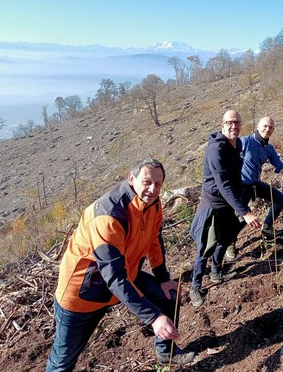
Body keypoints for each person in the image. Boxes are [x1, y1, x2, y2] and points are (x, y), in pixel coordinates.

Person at [46, 159, 195, 371]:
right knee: (63, 361)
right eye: (147, 182)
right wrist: (153, 317)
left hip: (126, 275)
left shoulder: (153, 203)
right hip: (82, 294)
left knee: (168, 296)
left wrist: (163, 278)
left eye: (158, 184)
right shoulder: (108, 215)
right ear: (131, 179)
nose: (153, 189)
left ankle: (166, 352)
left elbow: (154, 239)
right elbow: (114, 277)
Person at [189, 110, 261, 307]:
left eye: (237, 122)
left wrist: (245, 197)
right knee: (205, 246)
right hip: (212, 203)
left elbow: (235, 178)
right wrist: (244, 212)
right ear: (222, 125)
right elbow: (223, 184)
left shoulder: (236, 144)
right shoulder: (216, 150)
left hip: (228, 201)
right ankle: (195, 286)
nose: (233, 126)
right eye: (229, 123)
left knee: (226, 238)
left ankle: (215, 272)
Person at [239, 117, 283, 241]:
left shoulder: (269, 149)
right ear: (258, 127)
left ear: (273, 130)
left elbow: (281, 167)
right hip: (240, 186)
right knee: (240, 216)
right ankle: (230, 243)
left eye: (270, 127)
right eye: (265, 126)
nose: (267, 129)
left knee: (280, 199)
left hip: (255, 184)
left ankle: (267, 228)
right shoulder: (244, 142)